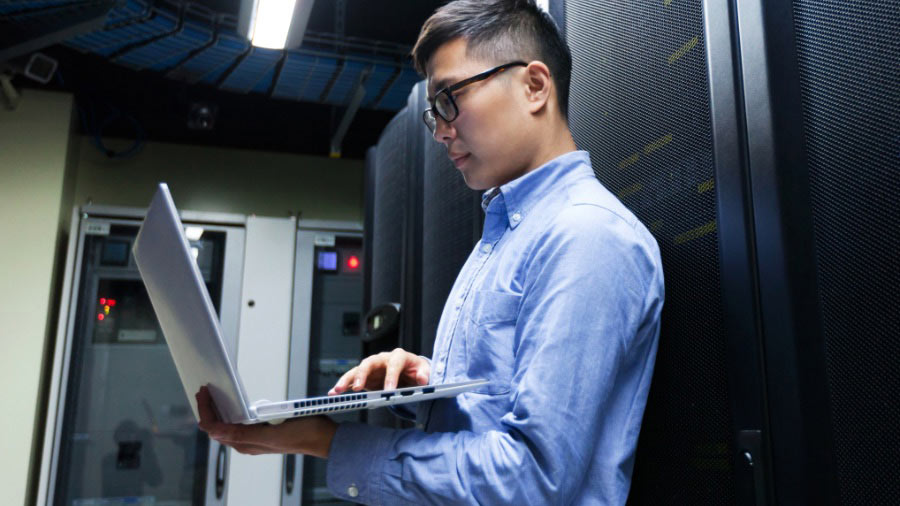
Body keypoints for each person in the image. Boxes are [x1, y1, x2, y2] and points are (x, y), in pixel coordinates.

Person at [196, 0, 665, 503]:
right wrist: (429, 387)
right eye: (434, 111)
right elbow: (498, 416)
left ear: (534, 86)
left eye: (451, 99)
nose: (441, 130)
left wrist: (327, 442)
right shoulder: (510, 233)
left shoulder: (587, 235)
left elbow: (532, 480)